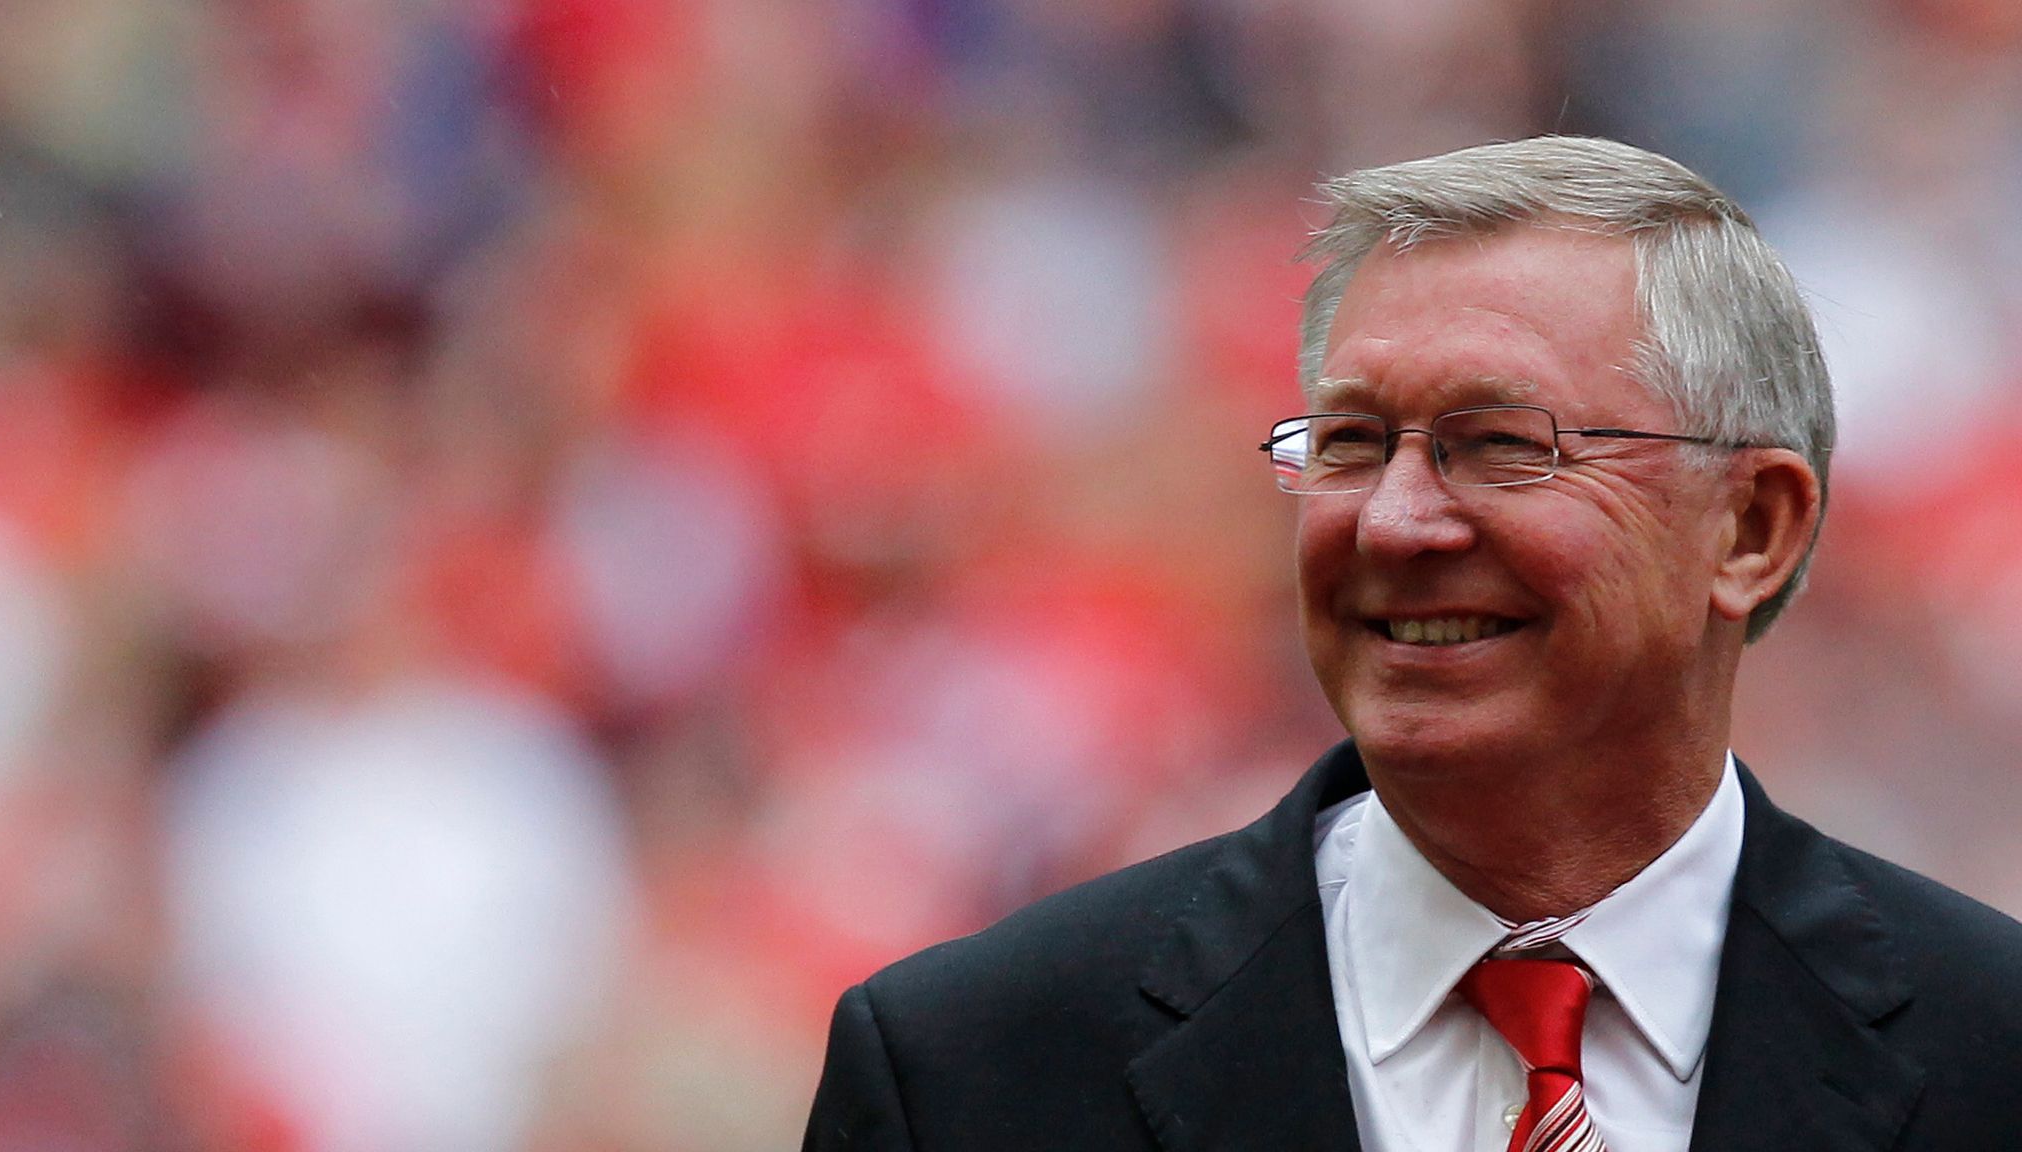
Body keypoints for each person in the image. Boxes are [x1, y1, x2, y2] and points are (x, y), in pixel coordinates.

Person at [800, 136, 2022, 1151]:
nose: (1393, 520)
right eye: (1347, 444)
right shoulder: (968, 1074)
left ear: (1749, 527)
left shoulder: (1990, 1051)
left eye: (1497, 443)